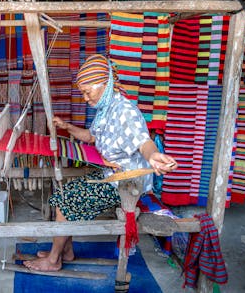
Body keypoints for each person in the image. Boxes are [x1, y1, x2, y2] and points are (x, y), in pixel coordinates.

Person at [23, 54, 178, 272]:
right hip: (109, 175)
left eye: (88, 92)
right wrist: (67, 127)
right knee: (62, 195)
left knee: (67, 202)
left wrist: (153, 156)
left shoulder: (125, 111)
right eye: (83, 93)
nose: (86, 98)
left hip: (126, 184)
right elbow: (91, 137)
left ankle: (54, 259)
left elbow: (144, 142)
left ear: (105, 84)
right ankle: (66, 251)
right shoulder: (106, 109)